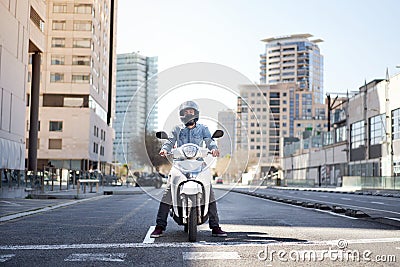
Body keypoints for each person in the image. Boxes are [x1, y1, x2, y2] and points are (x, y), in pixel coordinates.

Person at [150, 101, 227, 238]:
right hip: (180, 163)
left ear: (195, 114)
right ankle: (160, 226)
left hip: (199, 163)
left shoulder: (203, 128)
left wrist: (213, 148)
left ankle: (215, 226)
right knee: (167, 193)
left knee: (209, 192)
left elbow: (209, 140)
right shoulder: (177, 129)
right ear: (182, 115)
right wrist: (164, 149)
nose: (188, 114)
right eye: (185, 112)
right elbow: (170, 141)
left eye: (191, 112)